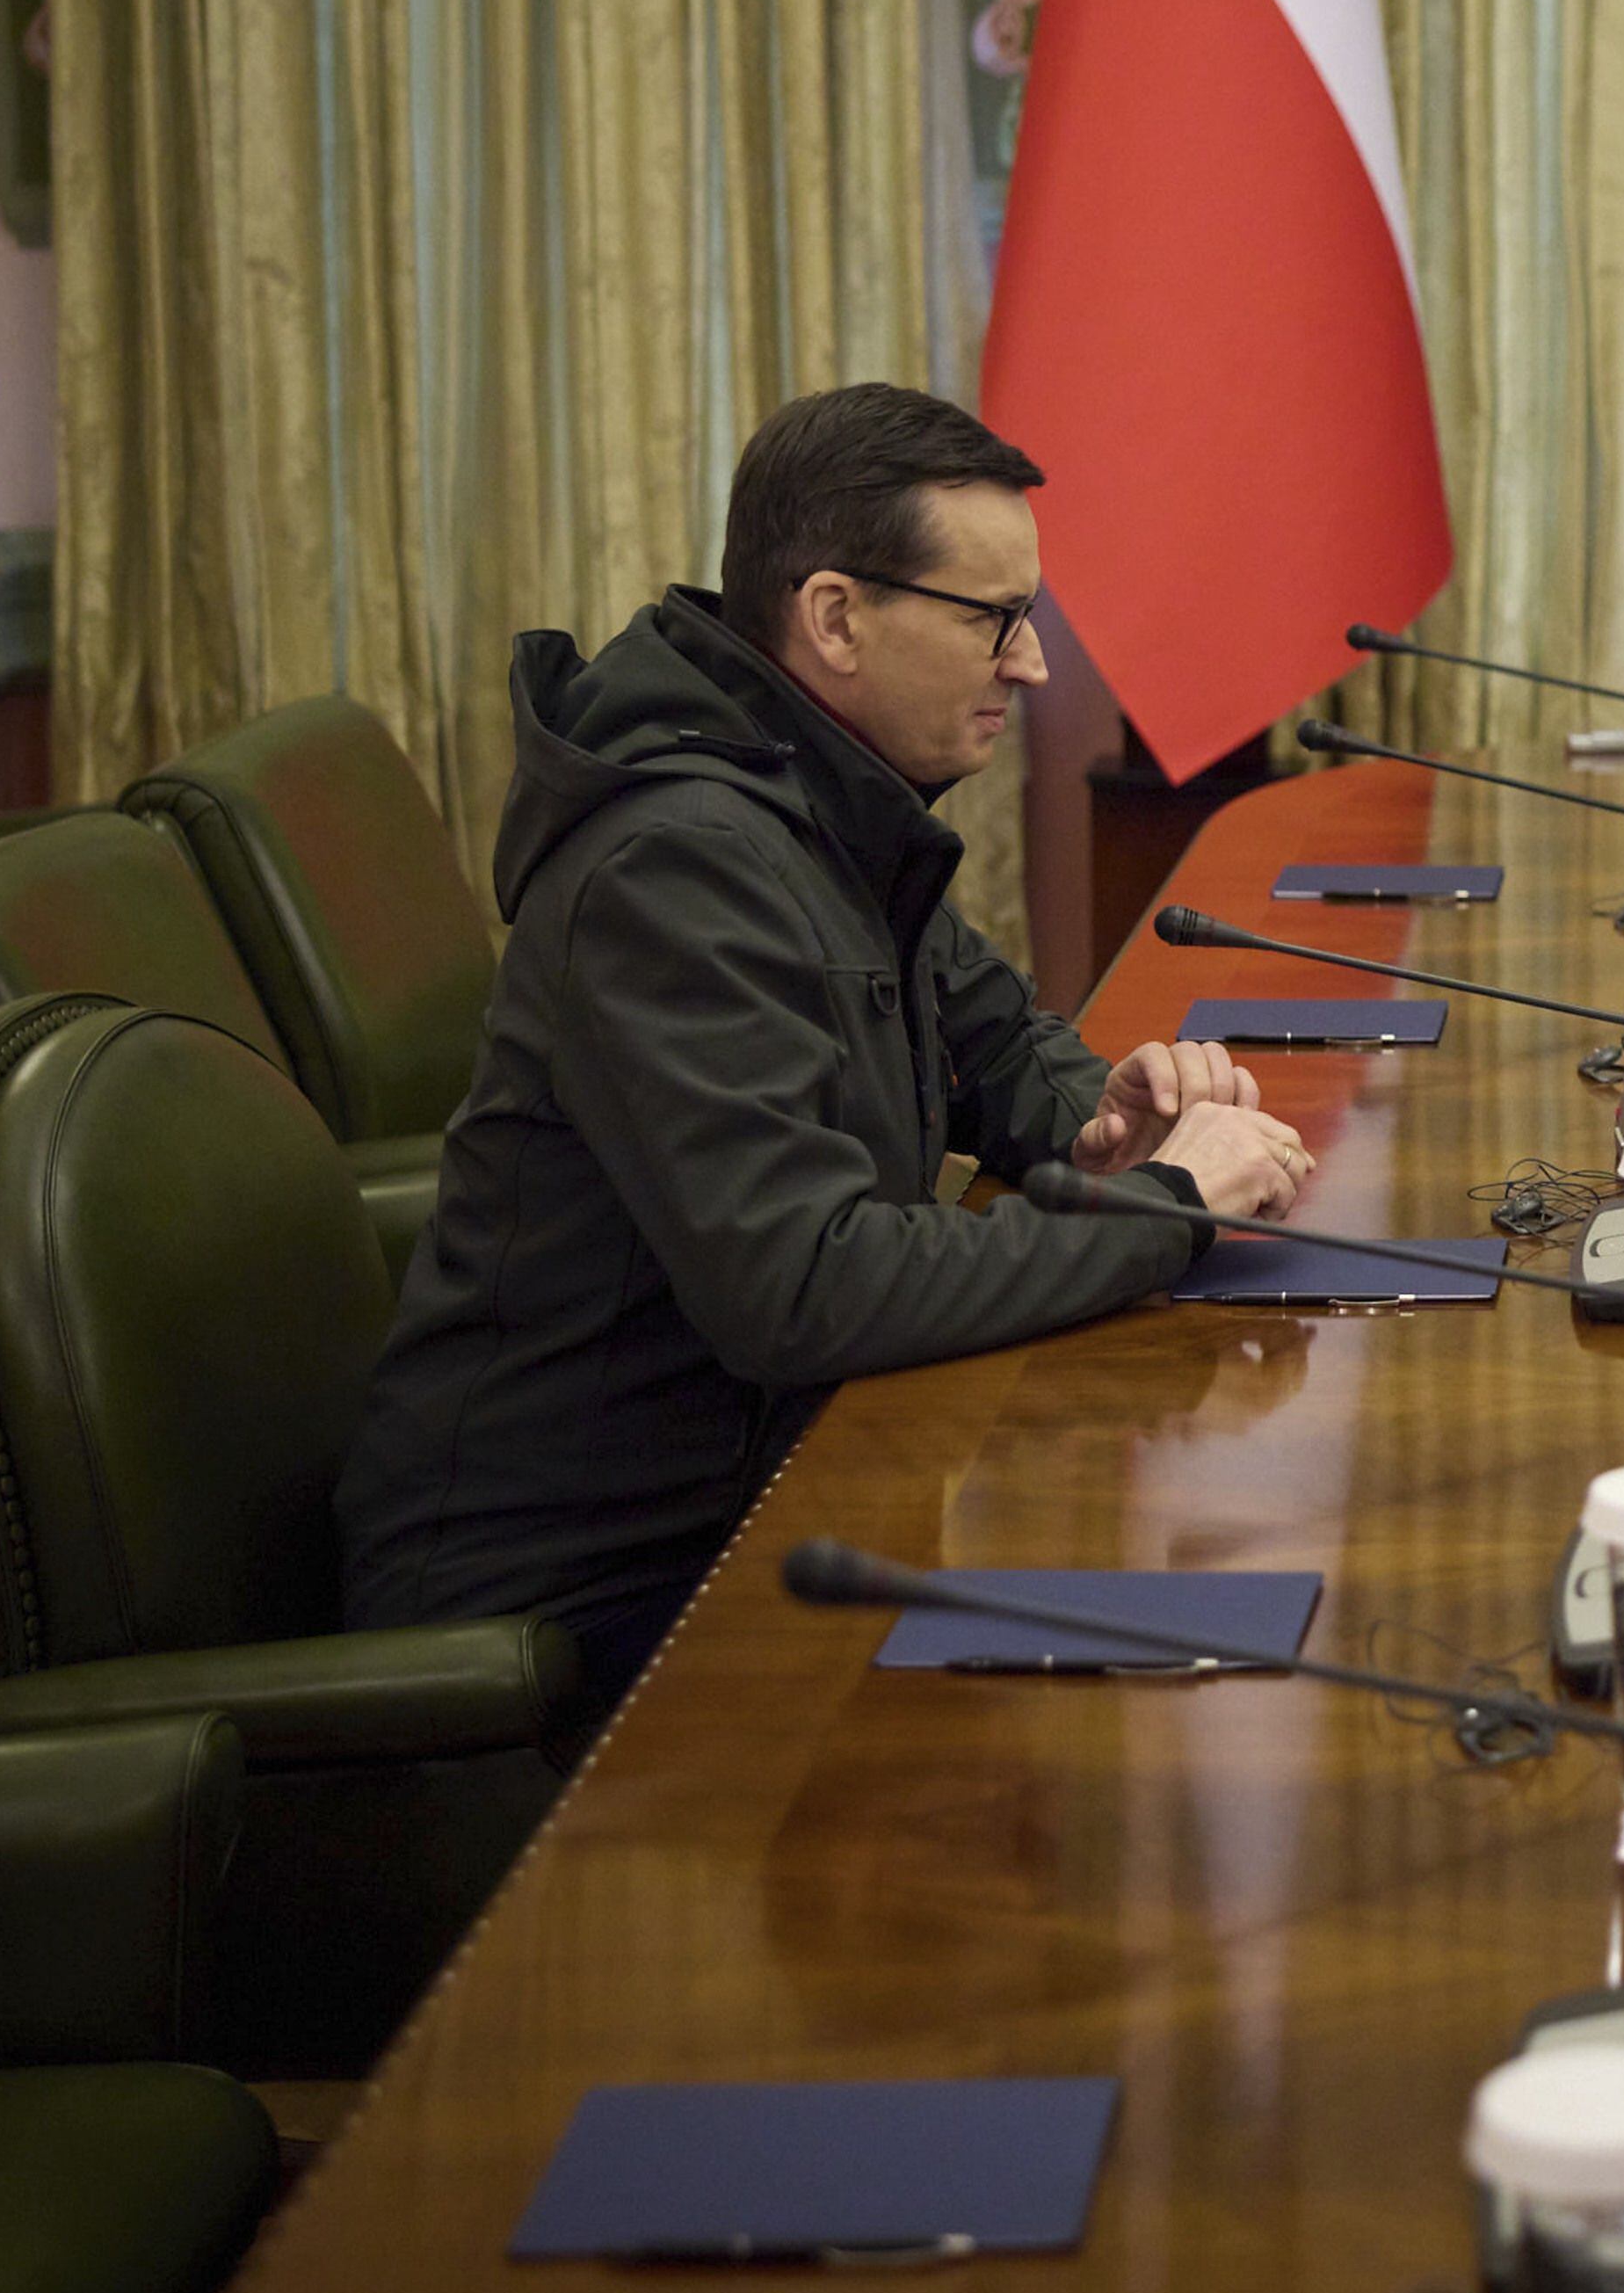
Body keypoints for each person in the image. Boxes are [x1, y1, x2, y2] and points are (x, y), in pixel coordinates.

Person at [337, 382, 1316, 1707]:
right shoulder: (675, 862)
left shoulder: (815, 789)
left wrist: (1107, 1116)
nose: (1029, 666)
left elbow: (997, 1038)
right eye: (994, 622)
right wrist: (1165, 1202)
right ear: (837, 618)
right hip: (578, 1594)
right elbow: (802, 1285)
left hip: (766, 1487)